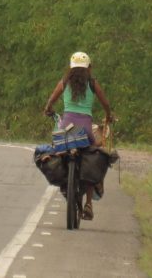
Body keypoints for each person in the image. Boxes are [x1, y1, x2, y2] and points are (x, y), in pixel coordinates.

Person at [42, 51, 114, 221]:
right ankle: (89, 203)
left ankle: (66, 183)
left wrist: (48, 109)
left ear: (71, 68)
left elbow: (51, 99)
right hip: (86, 131)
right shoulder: (93, 83)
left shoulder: (64, 82)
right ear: (89, 67)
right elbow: (106, 104)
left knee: (60, 151)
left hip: (67, 129)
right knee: (92, 157)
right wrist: (109, 115)